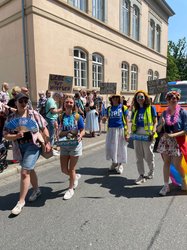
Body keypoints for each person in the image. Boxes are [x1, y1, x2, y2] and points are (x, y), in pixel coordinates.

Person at [3, 93, 51, 215]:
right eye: (21, 101)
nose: (24, 103)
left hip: (33, 145)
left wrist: (47, 141)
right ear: (16, 103)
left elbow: (44, 127)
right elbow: (5, 135)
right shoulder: (11, 118)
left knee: (25, 172)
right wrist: (16, 135)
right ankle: (36, 190)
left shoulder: (33, 114)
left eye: (25, 101)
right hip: (19, 147)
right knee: (30, 169)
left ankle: (20, 202)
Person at [157, 90, 187, 196]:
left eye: (175, 98)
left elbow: (186, 130)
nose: (173, 100)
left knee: (177, 165)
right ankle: (166, 186)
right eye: (170, 98)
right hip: (166, 141)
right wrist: (161, 124)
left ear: (178, 100)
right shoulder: (164, 113)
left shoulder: (183, 112)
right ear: (167, 101)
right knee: (166, 163)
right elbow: (158, 129)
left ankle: (184, 179)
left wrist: (173, 135)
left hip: (178, 141)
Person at [59, 95, 85, 200]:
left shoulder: (77, 116)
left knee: (71, 169)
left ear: (74, 104)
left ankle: (70, 189)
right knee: (64, 169)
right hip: (64, 145)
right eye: (67, 102)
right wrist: (66, 132)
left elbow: (82, 130)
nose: (69, 104)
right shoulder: (61, 117)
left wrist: (80, 135)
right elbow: (59, 133)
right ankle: (75, 177)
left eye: (71, 102)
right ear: (64, 104)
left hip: (75, 145)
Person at [131, 90, 157, 184]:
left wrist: (153, 132)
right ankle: (141, 175)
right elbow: (133, 121)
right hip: (137, 133)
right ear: (136, 99)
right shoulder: (135, 109)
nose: (140, 99)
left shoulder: (151, 108)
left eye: (141, 97)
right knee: (138, 156)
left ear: (145, 98)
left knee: (148, 155)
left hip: (148, 133)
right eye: (138, 97)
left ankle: (151, 171)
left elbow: (155, 121)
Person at [102, 94, 129, 174]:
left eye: (116, 97)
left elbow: (126, 120)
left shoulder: (123, 108)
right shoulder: (109, 108)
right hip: (111, 130)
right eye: (113, 97)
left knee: (120, 147)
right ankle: (114, 162)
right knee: (111, 147)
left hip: (120, 129)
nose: (115, 99)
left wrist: (127, 132)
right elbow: (106, 117)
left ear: (119, 99)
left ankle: (120, 164)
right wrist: (104, 119)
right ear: (111, 99)